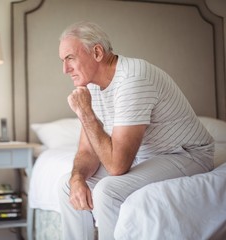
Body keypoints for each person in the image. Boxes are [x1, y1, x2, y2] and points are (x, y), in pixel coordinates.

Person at [57, 21, 214, 240]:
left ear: (97, 52)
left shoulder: (133, 79)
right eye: (63, 61)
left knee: (107, 191)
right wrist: (76, 179)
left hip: (186, 154)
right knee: (67, 186)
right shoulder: (91, 85)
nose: (65, 69)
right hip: (146, 157)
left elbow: (117, 166)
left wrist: (86, 114)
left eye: (70, 58)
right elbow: (87, 151)